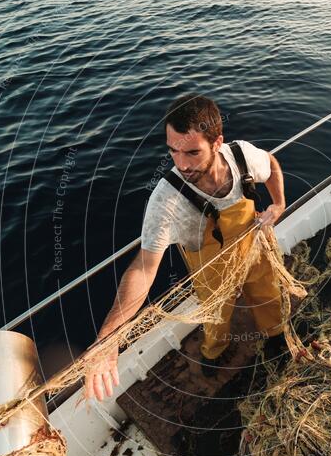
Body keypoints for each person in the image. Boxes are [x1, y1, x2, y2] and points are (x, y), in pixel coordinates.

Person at [84, 94, 287, 401]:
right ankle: (215, 352)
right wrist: (109, 336)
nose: (181, 163)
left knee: (268, 294)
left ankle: (275, 337)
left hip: (254, 246)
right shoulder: (166, 200)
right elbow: (143, 267)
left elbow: (270, 164)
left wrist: (279, 204)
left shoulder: (242, 156)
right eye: (173, 151)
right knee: (215, 315)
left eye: (192, 152)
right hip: (210, 267)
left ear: (217, 142)